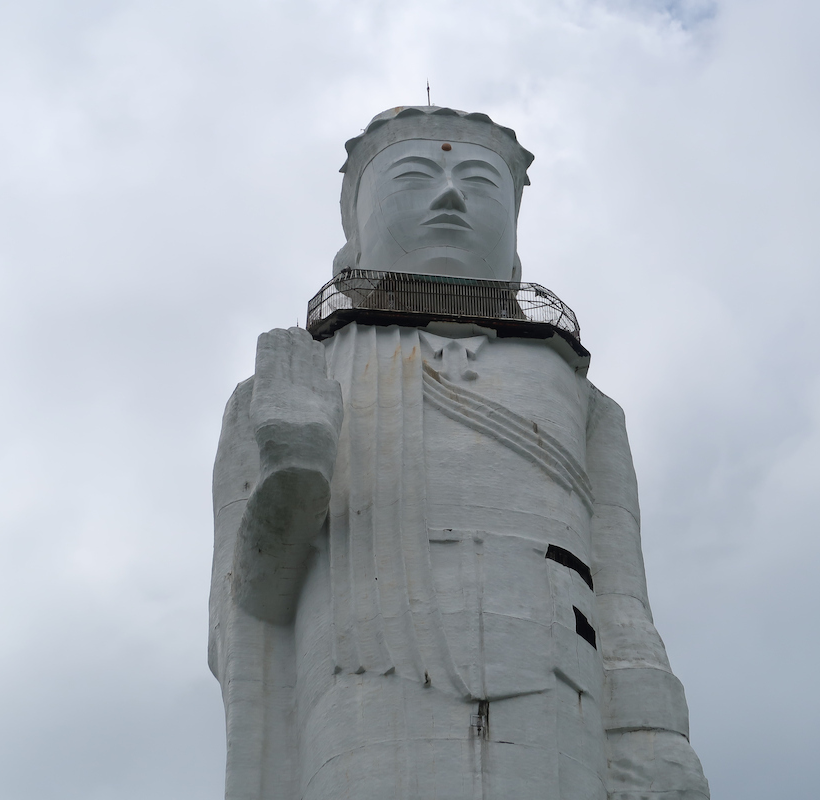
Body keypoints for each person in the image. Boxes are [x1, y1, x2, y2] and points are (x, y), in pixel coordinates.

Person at [208, 106, 710, 800]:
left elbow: (623, 597)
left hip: (556, 680)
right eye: (416, 177)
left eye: (478, 182)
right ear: (351, 249)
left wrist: (653, 732)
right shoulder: (291, 379)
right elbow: (253, 603)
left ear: (514, 253)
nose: (450, 197)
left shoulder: (583, 400)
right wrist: (294, 470)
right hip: (363, 676)